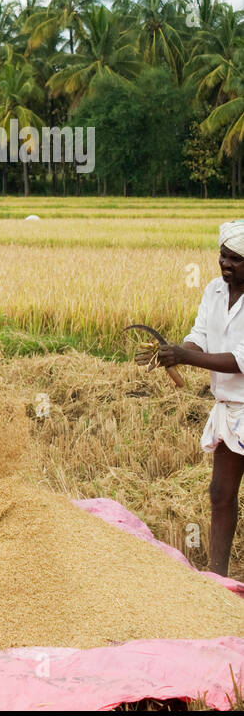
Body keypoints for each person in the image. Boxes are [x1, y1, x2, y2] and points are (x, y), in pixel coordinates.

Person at [148, 220, 244, 576]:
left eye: (234, 258)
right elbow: (199, 336)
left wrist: (186, 357)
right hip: (229, 409)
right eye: (222, 255)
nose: (225, 263)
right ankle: (217, 576)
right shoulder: (213, 292)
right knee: (220, 494)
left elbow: (239, 359)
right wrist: (175, 352)